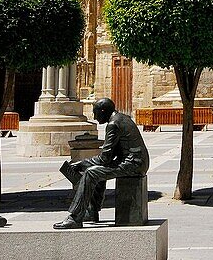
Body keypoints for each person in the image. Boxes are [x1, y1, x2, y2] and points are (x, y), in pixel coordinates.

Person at [54, 97, 150, 229]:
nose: (94, 116)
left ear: (103, 111)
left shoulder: (113, 124)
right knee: (98, 170)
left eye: (96, 113)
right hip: (137, 161)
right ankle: (91, 211)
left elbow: (105, 158)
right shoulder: (122, 118)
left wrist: (82, 164)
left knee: (91, 173)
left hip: (133, 164)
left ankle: (75, 217)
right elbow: (110, 156)